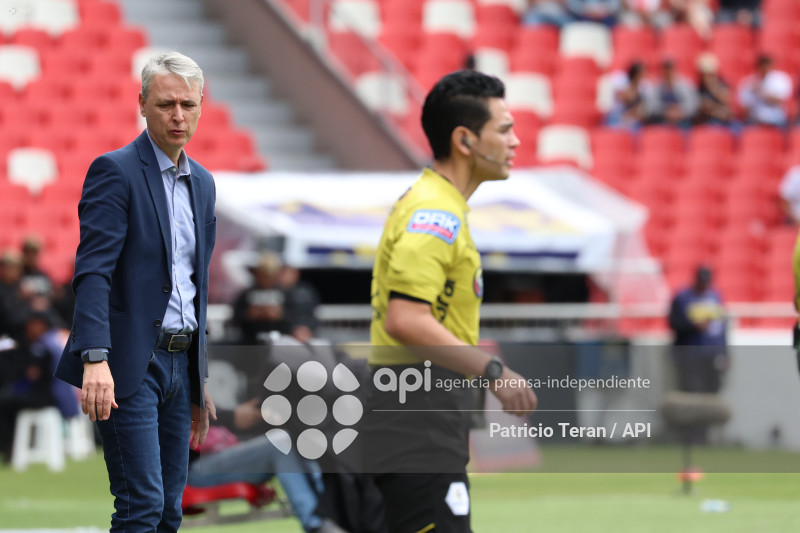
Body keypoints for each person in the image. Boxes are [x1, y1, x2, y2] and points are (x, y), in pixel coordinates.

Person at [364, 70, 538, 533]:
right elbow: (405, 318)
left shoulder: (439, 204)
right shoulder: (435, 213)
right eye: (504, 129)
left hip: (420, 418)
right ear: (465, 139)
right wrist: (494, 371)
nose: (515, 141)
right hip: (417, 419)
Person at [54, 52, 218, 532]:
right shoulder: (115, 171)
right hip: (128, 363)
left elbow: (196, 285)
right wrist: (94, 356)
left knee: (170, 512)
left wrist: (199, 377)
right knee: (141, 507)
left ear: (202, 106)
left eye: (188, 104)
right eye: (166, 104)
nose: (178, 116)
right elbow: (92, 273)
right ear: (142, 103)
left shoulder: (204, 184)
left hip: (181, 366)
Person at [668, 266, 728, 442]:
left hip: (711, 355)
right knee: (692, 395)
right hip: (690, 354)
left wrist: (725, 353)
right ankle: (690, 436)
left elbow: (722, 328)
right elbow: (673, 323)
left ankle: (705, 435)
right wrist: (693, 326)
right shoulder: (683, 297)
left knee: (710, 395)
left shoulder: (715, 296)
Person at [737, 54, 793, 127]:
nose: (765, 68)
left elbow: (780, 101)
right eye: (762, 65)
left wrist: (762, 92)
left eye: (767, 65)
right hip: (754, 120)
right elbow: (744, 108)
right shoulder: (748, 82)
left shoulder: (781, 79)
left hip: (776, 120)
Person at [645, 58, 699, 128]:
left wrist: (680, 112)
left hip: (682, 121)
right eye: (666, 68)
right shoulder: (657, 86)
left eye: (670, 68)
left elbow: (694, 104)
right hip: (662, 121)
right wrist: (665, 111)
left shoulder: (686, 85)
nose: (668, 71)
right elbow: (650, 105)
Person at [604, 61, 649, 130]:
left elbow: (638, 111)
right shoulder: (623, 85)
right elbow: (625, 103)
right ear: (636, 74)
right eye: (641, 73)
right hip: (617, 117)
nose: (643, 75)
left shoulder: (641, 88)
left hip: (631, 119)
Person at [694, 53, 732, 126]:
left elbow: (726, 101)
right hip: (705, 121)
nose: (706, 77)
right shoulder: (699, 88)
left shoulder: (722, 84)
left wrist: (713, 87)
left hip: (722, 122)